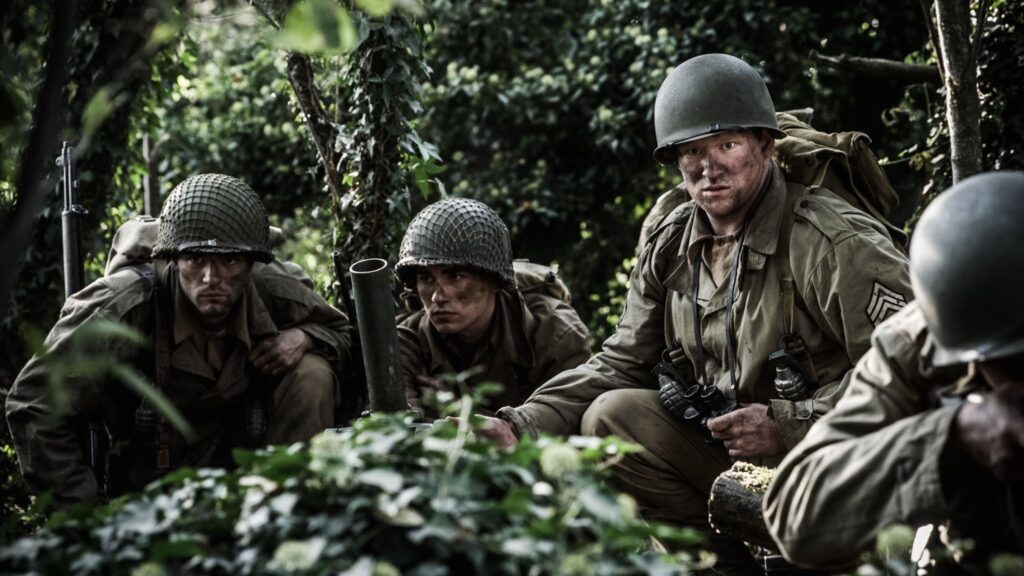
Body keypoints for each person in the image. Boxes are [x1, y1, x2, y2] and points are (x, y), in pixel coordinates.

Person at [474, 53, 912, 574]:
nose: (709, 167)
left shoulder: (833, 242)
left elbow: (908, 372)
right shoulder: (671, 241)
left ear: (765, 146)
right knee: (612, 415)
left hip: (832, 458)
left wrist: (789, 423)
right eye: (691, 152)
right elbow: (620, 363)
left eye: (726, 145)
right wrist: (521, 425)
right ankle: (719, 567)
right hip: (733, 461)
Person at [6, 173, 351, 504]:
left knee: (312, 373)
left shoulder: (273, 287)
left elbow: (341, 332)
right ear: (172, 259)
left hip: (252, 464)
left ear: (251, 264)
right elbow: (34, 403)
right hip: (148, 483)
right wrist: (85, 518)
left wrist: (304, 337)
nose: (210, 278)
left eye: (229, 260)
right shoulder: (123, 305)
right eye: (194, 258)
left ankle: (288, 517)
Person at [764, 171, 1024, 570]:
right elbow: (796, 511)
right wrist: (953, 437)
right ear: (971, 354)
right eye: (1010, 363)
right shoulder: (919, 344)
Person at [394, 197, 590, 418]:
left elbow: (565, 427)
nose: (438, 296)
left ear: (494, 281)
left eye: (455, 276)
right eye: (426, 278)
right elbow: (396, 430)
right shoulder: (406, 339)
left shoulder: (556, 335)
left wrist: (460, 411)